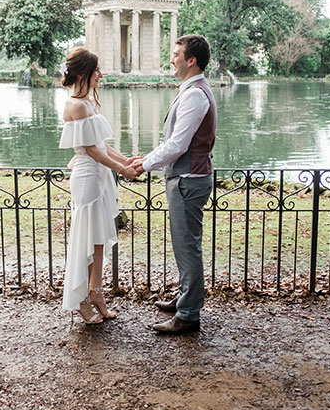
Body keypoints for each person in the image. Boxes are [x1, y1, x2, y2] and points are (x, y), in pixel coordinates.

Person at [131, 35, 217, 334]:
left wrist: (143, 165)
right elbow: (175, 141)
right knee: (184, 245)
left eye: (176, 54)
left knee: (187, 246)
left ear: (191, 60)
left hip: (188, 181)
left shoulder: (194, 94)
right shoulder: (191, 91)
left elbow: (179, 144)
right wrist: (149, 156)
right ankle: (184, 298)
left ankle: (189, 314)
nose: (172, 58)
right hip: (187, 178)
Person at [59, 47, 138, 324]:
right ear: (83, 73)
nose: (101, 75)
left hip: (100, 174)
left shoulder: (90, 101)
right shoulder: (76, 105)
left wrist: (126, 159)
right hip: (87, 177)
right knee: (86, 239)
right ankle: (80, 299)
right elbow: (90, 149)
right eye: (97, 71)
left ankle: (96, 292)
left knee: (99, 239)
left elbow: (103, 145)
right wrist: (121, 169)